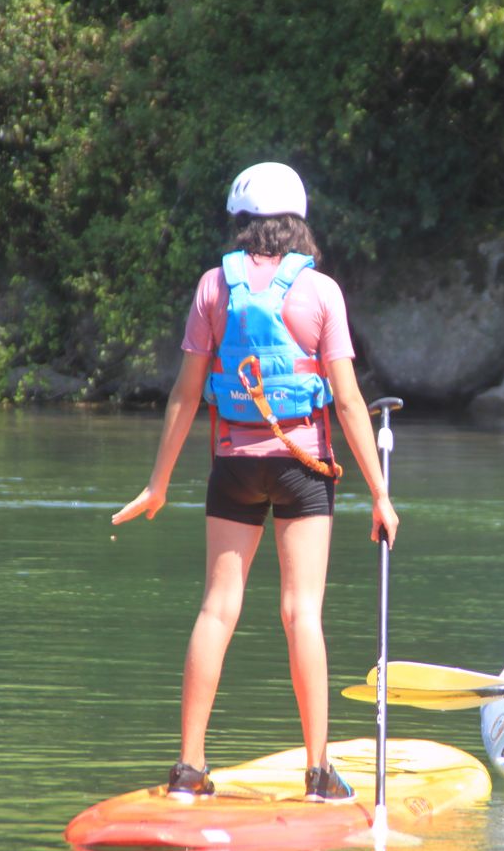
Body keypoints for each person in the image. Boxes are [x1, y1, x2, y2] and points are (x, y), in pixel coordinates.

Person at [112, 161, 399, 801]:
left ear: (242, 224)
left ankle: (189, 767)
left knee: (218, 608)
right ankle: (320, 774)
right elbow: (350, 403)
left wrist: (158, 483)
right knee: (302, 615)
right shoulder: (321, 292)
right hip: (303, 468)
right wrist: (380, 495)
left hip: (234, 466)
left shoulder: (214, 287)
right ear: (298, 224)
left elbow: (186, 395)